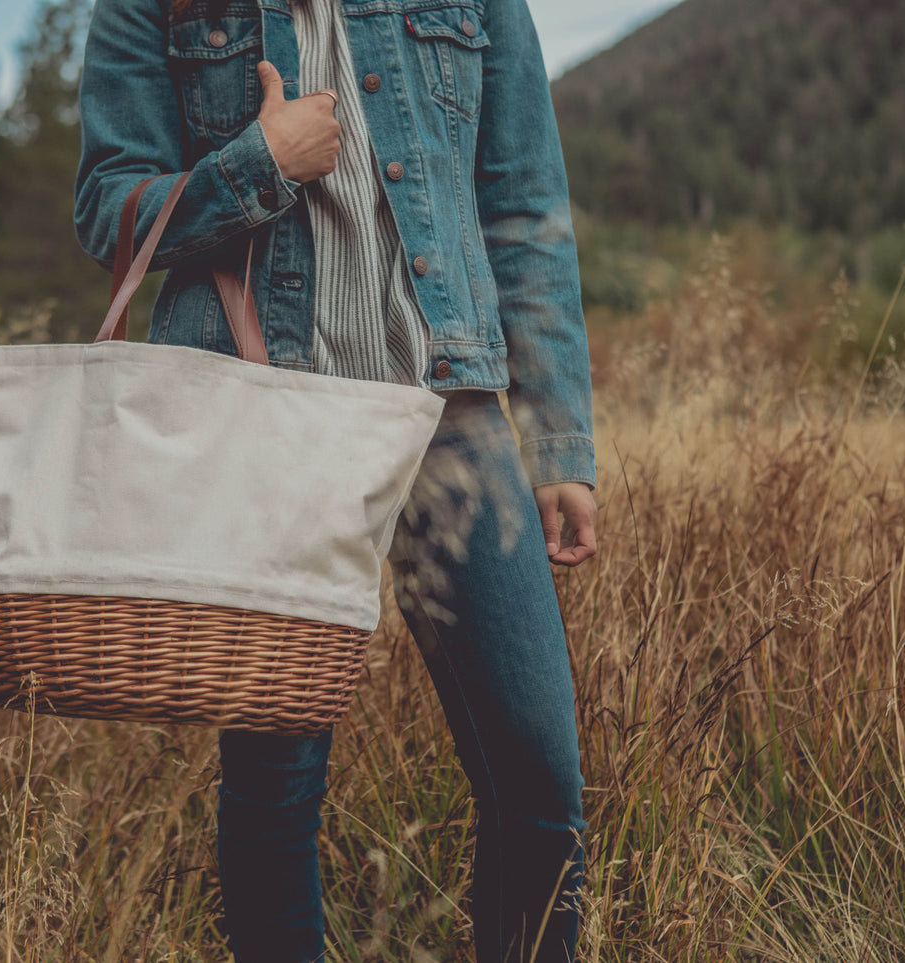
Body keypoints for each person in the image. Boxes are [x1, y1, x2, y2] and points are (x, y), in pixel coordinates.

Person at [74, 0, 598, 959]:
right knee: (276, 790)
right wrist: (256, 165)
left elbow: (522, 207)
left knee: (539, 782)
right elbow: (107, 205)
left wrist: (559, 438)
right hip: (267, 417)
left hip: (452, 417)